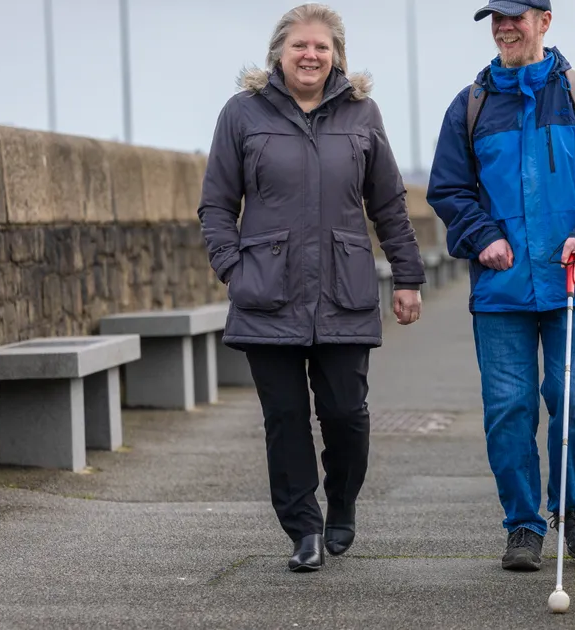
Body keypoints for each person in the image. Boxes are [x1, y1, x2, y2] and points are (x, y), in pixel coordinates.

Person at [197, 3, 426, 573]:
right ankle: (303, 528)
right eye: (300, 45)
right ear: (279, 52)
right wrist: (233, 268)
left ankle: (342, 500)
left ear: (337, 55)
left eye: (321, 47)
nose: (310, 55)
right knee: (285, 420)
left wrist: (408, 277)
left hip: (343, 290)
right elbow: (216, 204)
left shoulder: (362, 113)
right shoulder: (242, 114)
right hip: (265, 294)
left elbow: (390, 205)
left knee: (347, 414)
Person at [426, 0, 575, 571]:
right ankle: (523, 526)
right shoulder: (469, 106)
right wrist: (480, 234)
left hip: (573, 281)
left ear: (544, 22)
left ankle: (572, 512)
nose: (504, 26)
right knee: (508, 409)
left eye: (516, 16)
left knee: (571, 400)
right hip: (500, 289)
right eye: (496, 18)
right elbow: (448, 189)